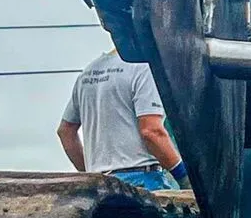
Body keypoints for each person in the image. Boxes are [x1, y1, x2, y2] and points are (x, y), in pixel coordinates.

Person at [57, 49, 187, 193]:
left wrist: (92, 174)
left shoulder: (88, 72)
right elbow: (151, 132)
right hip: (143, 184)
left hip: (100, 189)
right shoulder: (144, 68)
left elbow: (65, 132)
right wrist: (183, 176)